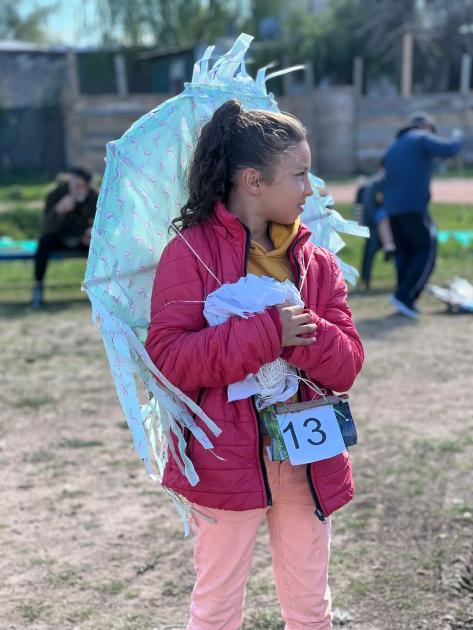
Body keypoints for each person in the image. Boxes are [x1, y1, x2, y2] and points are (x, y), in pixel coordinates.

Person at [145, 100, 364, 630]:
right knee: (217, 609)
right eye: (300, 174)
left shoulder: (316, 263)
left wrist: (298, 334)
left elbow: (348, 363)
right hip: (223, 461)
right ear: (253, 181)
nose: (310, 190)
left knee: (312, 608)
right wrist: (268, 332)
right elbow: (170, 359)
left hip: (307, 459)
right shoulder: (189, 254)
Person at [382, 112, 464, 319]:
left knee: (405, 254)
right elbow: (450, 148)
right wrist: (459, 134)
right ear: (425, 126)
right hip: (413, 208)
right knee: (427, 250)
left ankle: (402, 299)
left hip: (393, 209)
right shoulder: (421, 137)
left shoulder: (395, 145)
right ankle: (405, 296)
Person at [31, 167, 98, 308]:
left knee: (100, 248)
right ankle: (38, 288)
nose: (79, 189)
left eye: (83, 186)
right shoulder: (55, 194)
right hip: (59, 237)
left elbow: (101, 222)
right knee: (44, 243)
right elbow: (45, 227)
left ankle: (100, 290)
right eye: (76, 185)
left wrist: (91, 231)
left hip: (82, 239)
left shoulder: (93, 196)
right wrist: (59, 210)